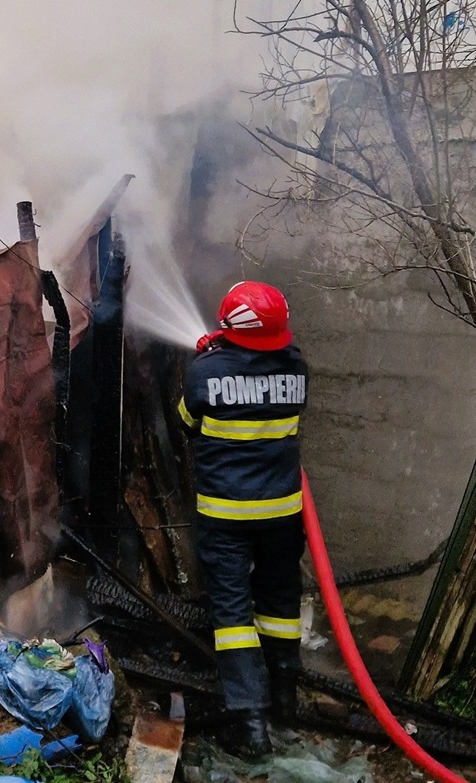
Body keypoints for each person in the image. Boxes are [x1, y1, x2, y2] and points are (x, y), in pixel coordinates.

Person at [178, 281, 309, 759]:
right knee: (280, 602)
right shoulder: (297, 367)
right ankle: (286, 699)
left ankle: (251, 727)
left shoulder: (204, 372)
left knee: (232, 613)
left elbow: (187, 421)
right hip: (283, 514)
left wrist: (213, 359)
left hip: (226, 516)